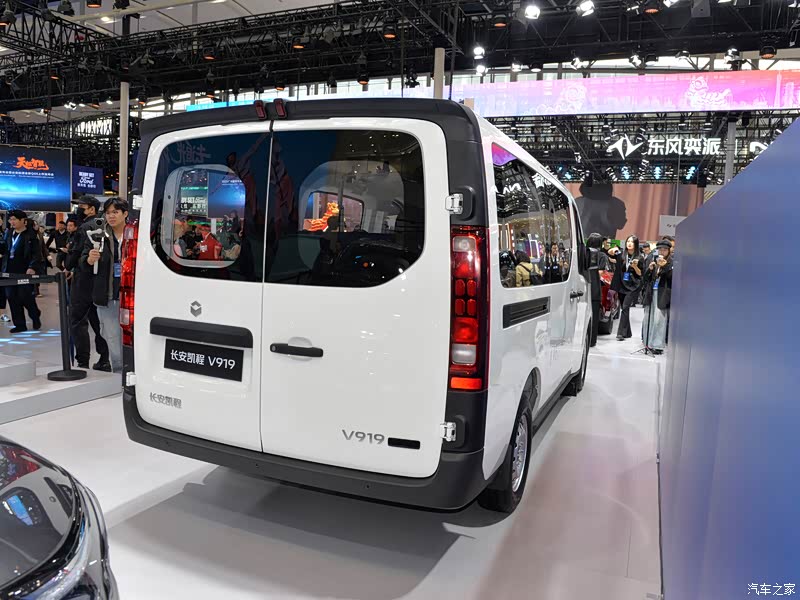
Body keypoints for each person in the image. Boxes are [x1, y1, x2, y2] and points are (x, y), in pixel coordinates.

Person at [82, 197, 128, 373]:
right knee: (112, 337)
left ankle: (136, 372)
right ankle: (119, 373)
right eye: (108, 213)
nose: (111, 216)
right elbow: (82, 260)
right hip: (107, 295)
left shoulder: (136, 235)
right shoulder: (98, 235)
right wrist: (89, 259)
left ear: (125, 213)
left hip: (132, 296)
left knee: (136, 336)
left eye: (115, 212)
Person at [67, 195, 110, 371]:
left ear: (92, 209)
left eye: (81, 207)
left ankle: (83, 361)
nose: (78, 210)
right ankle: (105, 359)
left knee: (77, 320)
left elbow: (73, 259)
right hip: (100, 281)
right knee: (99, 322)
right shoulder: (105, 226)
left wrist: (68, 260)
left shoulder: (84, 227)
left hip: (83, 281)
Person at [0, 210, 43, 333]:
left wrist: (32, 267)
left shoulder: (30, 235)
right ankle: (20, 325)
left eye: (14, 219)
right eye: (10, 219)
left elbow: (36, 254)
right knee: (12, 297)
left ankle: (35, 315)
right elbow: (5, 248)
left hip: (24, 271)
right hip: (9, 271)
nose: (11, 222)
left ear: (23, 220)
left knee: (25, 296)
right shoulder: (9, 233)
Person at [641, 240, 674, 354]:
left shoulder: (671, 263)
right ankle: (647, 343)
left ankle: (658, 346)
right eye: (660, 249)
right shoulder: (653, 260)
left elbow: (672, 279)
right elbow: (645, 279)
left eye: (664, 250)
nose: (662, 252)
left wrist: (665, 267)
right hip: (651, 292)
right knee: (648, 318)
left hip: (662, 293)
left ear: (669, 251)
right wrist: (649, 270)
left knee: (659, 320)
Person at [611, 234, 643, 341]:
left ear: (636, 244)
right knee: (624, 308)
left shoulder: (640, 257)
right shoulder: (621, 255)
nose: (629, 243)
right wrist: (613, 249)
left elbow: (640, 273)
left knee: (625, 307)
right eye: (628, 241)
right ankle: (628, 332)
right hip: (621, 284)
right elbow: (610, 253)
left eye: (632, 242)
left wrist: (635, 267)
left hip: (633, 286)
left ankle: (620, 333)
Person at [586, 232, 610, 347]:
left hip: (583, 286)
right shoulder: (602, 256)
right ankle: (592, 341)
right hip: (595, 287)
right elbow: (600, 272)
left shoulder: (583, 254)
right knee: (594, 315)